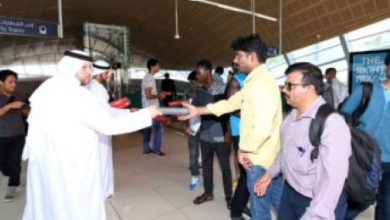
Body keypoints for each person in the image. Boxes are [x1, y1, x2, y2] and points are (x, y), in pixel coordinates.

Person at [22, 50, 161, 220]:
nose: (90, 71)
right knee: (76, 206)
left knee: (51, 203)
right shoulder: (77, 94)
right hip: (71, 163)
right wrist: (146, 115)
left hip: (48, 162)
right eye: (85, 67)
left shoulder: (47, 88)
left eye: (90, 67)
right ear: (71, 67)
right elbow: (108, 125)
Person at [179, 34, 283, 220]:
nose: (235, 60)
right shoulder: (254, 81)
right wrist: (199, 110)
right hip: (265, 156)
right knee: (277, 203)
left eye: (238, 55)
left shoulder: (261, 85)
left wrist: (244, 150)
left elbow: (262, 128)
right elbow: (231, 103)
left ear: (251, 56)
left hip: (258, 159)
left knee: (260, 210)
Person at [256, 62, 351, 220]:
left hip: (316, 201)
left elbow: (331, 182)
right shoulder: (291, 116)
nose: (284, 90)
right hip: (290, 192)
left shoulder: (332, 124)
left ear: (310, 88)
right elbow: (285, 151)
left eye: (290, 86)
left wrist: (316, 216)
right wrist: (269, 174)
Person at [341, 51, 390, 220]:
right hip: (364, 158)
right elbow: (342, 116)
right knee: (359, 201)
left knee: (386, 206)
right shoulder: (365, 90)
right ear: (387, 66)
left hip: (389, 160)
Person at [190, 59, 233, 208]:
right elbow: (195, 110)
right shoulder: (199, 91)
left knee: (225, 166)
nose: (196, 75)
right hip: (205, 135)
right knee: (207, 166)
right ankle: (208, 193)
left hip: (221, 134)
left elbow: (229, 111)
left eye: (198, 72)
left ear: (207, 72)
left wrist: (228, 132)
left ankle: (229, 196)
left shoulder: (222, 89)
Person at [86, 60, 130, 199]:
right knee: (102, 160)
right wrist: (128, 112)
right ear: (100, 73)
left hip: (97, 128)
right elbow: (107, 112)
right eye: (106, 73)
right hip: (101, 129)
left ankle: (101, 189)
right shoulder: (97, 88)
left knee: (100, 160)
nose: (108, 76)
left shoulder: (92, 86)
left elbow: (104, 108)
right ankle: (103, 191)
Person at [0, 69, 30, 202]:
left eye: (15, 82)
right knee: (3, 165)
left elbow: (27, 114)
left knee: (14, 162)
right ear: (1, 82)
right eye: (10, 82)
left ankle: (11, 189)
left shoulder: (18, 96)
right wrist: (9, 106)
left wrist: (26, 109)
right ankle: (15, 178)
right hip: (2, 136)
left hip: (18, 135)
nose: (13, 85)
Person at [226, 70, 250, 220]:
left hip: (251, 132)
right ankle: (236, 210)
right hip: (240, 131)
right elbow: (232, 106)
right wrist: (254, 115)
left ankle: (240, 206)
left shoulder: (254, 78)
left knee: (248, 173)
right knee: (246, 172)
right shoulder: (237, 80)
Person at [141, 58, 167, 156]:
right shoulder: (149, 78)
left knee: (148, 128)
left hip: (148, 107)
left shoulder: (148, 77)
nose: (159, 67)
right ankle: (156, 149)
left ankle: (146, 148)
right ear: (152, 67)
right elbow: (148, 95)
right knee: (158, 128)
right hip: (151, 108)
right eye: (158, 65)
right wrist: (159, 95)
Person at [184, 70, 201, 190]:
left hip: (194, 124)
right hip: (203, 125)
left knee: (193, 152)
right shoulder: (194, 89)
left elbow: (184, 109)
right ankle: (196, 174)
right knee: (202, 152)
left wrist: (186, 125)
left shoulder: (188, 90)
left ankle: (195, 176)